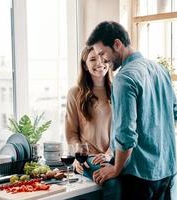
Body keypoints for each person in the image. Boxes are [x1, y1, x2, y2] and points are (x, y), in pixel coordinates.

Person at [87, 21, 177, 200]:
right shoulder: (160, 70)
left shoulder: (124, 78)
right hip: (167, 170)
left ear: (117, 44)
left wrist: (116, 168)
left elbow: (126, 135)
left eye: (102, 53)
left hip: (140, 176)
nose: (102, 60)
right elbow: (176, 113)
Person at [65, 46, 121, 200]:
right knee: (113, 183)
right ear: (85, 65)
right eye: (93, 59)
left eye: (103, 58)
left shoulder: (118, 89)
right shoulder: (75, 93)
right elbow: (71, 132)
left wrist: (110, 153)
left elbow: (122, 128)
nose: (99, 62)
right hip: (90, 157)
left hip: (114, 154)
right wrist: (78, 156)